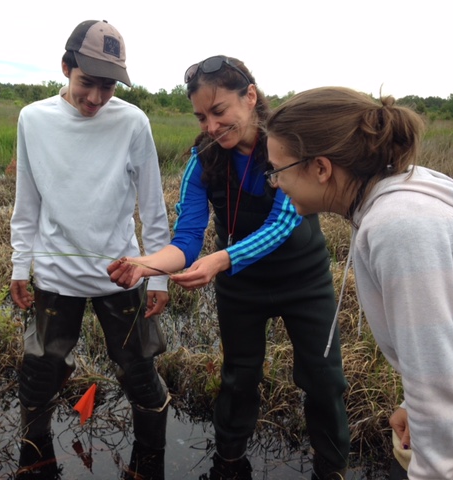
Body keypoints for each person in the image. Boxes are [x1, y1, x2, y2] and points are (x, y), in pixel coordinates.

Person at [108, 56, 350, 479]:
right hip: (241, 287)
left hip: (305, 280)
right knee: (239, 377)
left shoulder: (288, 148)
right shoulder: (202, 161)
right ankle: (229, 463)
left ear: (250, 97)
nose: (211, 126)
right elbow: (185, 241)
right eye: (202, 117)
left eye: (219, 112)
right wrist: (144, 264)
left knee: (324, 381)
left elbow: (282, 223)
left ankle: (332, 470)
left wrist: (221, 259)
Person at [264, 86, 453, 479]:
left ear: (320, 168)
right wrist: (413, 404)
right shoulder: (406, 190)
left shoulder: (399, 227)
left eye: (278, 171)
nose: (275, 183)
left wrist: (432, 469)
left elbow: (435, 378)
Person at [9, 20, 171, 479]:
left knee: (139, 371)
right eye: (87, 83)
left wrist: (156, 275)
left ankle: (150, 462)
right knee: (40, 373)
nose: (96, 98)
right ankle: (35, 459)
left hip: (122, 273)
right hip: (56, 278)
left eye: (108, 86)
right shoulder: (33, 119)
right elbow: (28, 202)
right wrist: (21, 263)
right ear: (65, 67)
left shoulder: (133, 121)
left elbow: (152, 206)